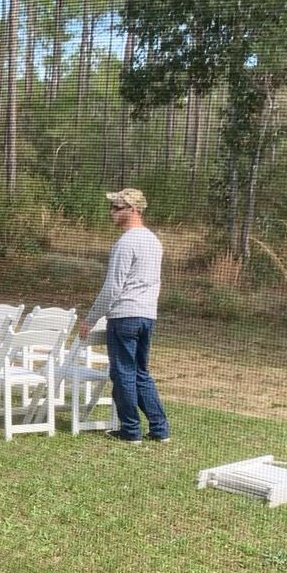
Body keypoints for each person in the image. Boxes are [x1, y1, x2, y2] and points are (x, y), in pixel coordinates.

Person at [78, 188, 171, 444]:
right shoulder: (153, 241)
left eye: (117, 208)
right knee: (141, 372)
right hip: (147, 316)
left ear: (132, 210)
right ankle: (160, 429)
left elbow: (112, 287)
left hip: (125, 315)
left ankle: (130, 431)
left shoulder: (126, 242)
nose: (112, 213)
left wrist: (91, 318)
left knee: (123, 373)